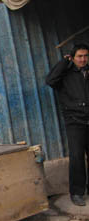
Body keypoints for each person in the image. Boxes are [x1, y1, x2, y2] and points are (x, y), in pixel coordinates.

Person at [46, 43, 89, 206]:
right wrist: (64, 63)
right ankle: (77, 192)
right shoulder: (65, 74)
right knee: (77, 156)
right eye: (79, 56)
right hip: (75, 122)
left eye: (86, 56)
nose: (83, 59)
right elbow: (50, 80)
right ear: (72, 57)